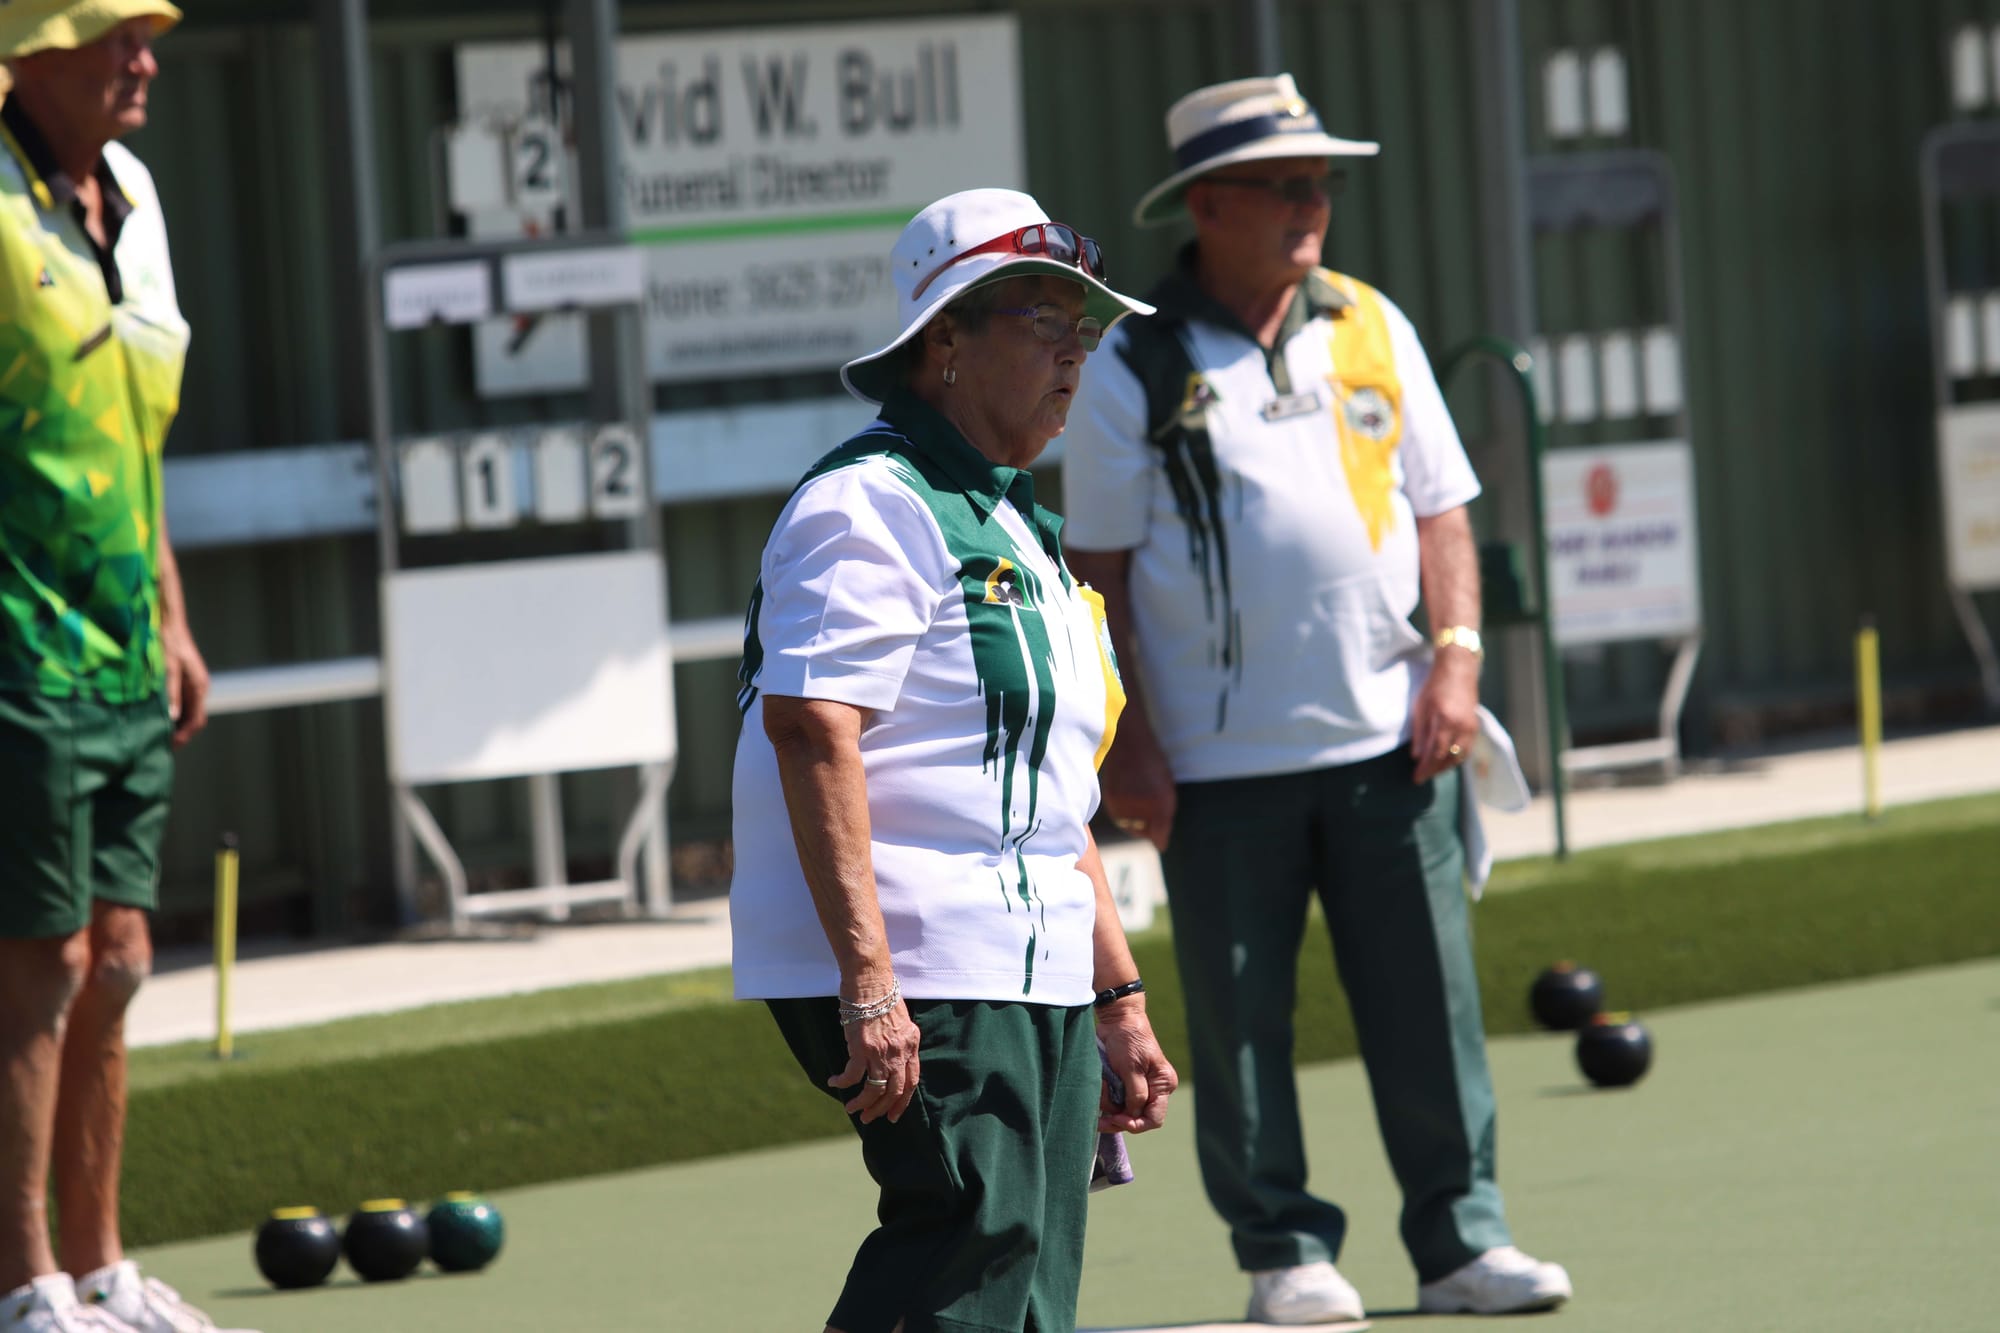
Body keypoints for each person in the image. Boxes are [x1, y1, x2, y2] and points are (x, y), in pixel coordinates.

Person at [1060, 75, 1572, 1324]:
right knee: (1237, 1034)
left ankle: (1462, 1242)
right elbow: (1099, 574)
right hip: (1216, 768)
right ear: (1210, 204)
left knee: (1430, 1012)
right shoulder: (1132, 359)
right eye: (1287, 185)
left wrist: (1454, 656)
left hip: (1391, 742)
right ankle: (1280, 1252)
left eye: (1321, 183)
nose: (1312, 205)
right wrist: (1126, 745)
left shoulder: (1370, 323)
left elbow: (1440, 507)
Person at [730, 187, 1180, 1333]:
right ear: (943, 343)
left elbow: (1050, 789)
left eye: (1085, 329)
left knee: (1031, 1270)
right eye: (1044, 321)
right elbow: (810, 726)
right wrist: (868, 982)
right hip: (921, 950)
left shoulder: (1021, 524)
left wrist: (1117, 991)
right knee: (968, 1236)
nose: (1076, 354)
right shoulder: (867, 503)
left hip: (1031, 953)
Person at [0, 6, 247, 1332]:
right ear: (32, 47)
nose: (143, 61)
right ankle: (22, 1285)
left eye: (150, 37)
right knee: (34, 966)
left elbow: (129, 433)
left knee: (120, 955)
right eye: (114, 36)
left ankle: (99, 1272)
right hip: (14, 652)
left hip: (121, 646)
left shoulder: (134, 194)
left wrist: (175, 616)